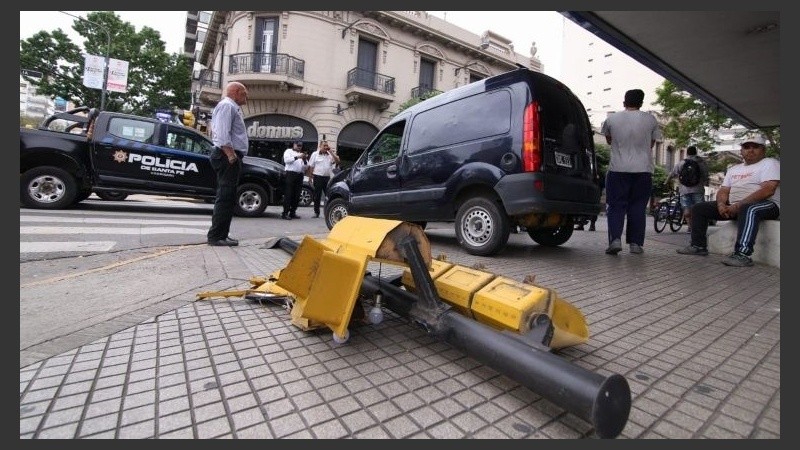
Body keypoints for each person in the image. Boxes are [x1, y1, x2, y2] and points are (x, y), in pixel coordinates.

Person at [676, 134, 779, 267]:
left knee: (749, 208)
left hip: (768, 205)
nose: (750, 150)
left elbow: (768, 190)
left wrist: (739, 205)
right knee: (699, 208)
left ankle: (742, 255)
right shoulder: (734, 169)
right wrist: (721, 204)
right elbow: (724, 190)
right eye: (747, 147)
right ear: (741, 151)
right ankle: (698, 246)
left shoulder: (770, 163)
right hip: (736, 206)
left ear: (763, 150)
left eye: (755, 147)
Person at [600, 89, 662, 255]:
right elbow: (651, 144)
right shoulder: (650, 120)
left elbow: (609, 140)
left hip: (617, 169)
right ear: (641, 103)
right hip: (643, 170)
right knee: (638, 207)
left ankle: (615, 240)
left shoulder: (611, 119)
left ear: (624, 102)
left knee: (615, 206)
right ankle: (635, 244)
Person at [206, 82, 248, 246]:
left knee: (229, 198)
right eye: (244, 94)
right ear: (236, 92)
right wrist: (230, 154)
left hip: (228, 155)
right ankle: (216, 236)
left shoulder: (231, 107)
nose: (246, 98)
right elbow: (222, 133)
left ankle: (222, 234)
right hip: (226, 155)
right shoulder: (227, 106)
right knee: (225, 197)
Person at [665, 145, 709, 231]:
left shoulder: (682, 163)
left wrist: (666, 182)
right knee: (700, 209)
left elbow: (672, 173)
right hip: (698, 189)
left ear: (687, 153)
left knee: (686, 209)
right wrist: (702, 182)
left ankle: (690, 228)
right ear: (696, 153)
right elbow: (705, 175)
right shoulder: (701, 162)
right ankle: (699, 228)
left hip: (684, 190)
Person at [306, 140, 340, 218]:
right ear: (320, 146)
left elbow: (338, 161)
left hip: (327, 178)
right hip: (317, 177)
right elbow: (311, 166)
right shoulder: (315, 154)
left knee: (328, 195)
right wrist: (310, 178)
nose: (325, 147)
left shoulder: (330, 154)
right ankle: (316, 212)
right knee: (317, 196)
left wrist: (331, 152)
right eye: (324, 146)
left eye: (326, 145)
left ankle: (328, 212)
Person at [282, 140, 307, 220]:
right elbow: (286, 160)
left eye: (300, 146)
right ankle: (285, 213)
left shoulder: (302, 154)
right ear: (294, 145)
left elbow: (305, 168)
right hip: (290, 174)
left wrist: (304, 160)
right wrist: (297, 157)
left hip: (299, 175)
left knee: (297, 195)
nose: (299, 147)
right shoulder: (288, 151)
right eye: (298, 145)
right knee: (288, 194)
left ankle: (293, 212)